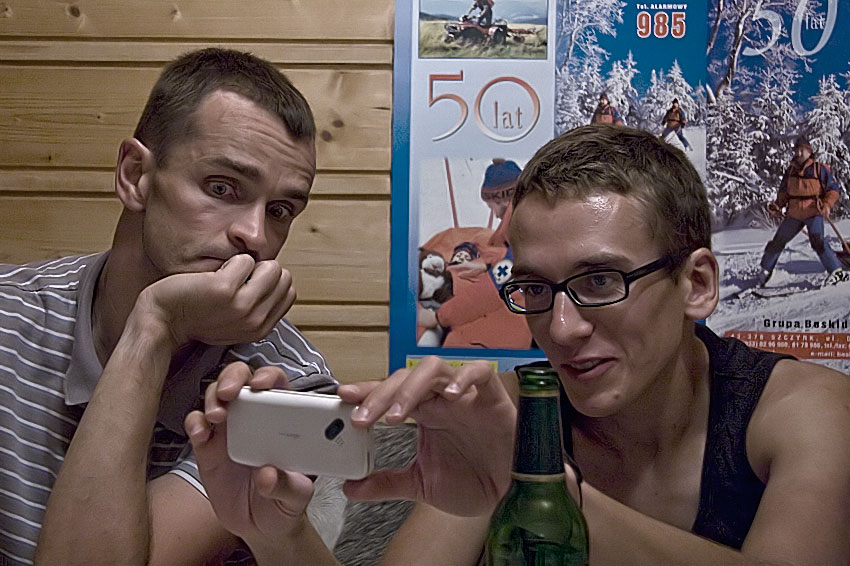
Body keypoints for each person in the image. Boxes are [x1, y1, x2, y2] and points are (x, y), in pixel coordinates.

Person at [332, 125, 850, 565]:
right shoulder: (511, 414)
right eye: (535, 288)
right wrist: (288, 528)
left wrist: (542, 492)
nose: (560, 329)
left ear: (696, 285)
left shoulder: (805, 410)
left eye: (600, 281)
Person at [0, 48, 345, 566]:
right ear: (135, 175)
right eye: (222, 187)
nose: (255, 236)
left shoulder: (291, 386)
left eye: (279, 210)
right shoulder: (9, 315)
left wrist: (154, 325)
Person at [417, 158, 532, 349]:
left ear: (499, 199)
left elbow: (491, 290)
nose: (496, 215)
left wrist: (438, 317)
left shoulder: (523, 228)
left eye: (491, 206)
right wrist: (485, 264)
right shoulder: (531, 220)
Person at [758, 134, 849, 287]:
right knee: (778, 241)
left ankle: (836, 271)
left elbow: (833, 190)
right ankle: (765, 270)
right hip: (794, 214)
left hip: (814, 212)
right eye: (796, 150)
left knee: (818, 241)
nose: (798, 153)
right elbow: (783, 193)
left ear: (809, 151)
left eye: (802, 150)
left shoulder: (819, 169)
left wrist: (827, 205)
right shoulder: (790, 171)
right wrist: (777, 205)